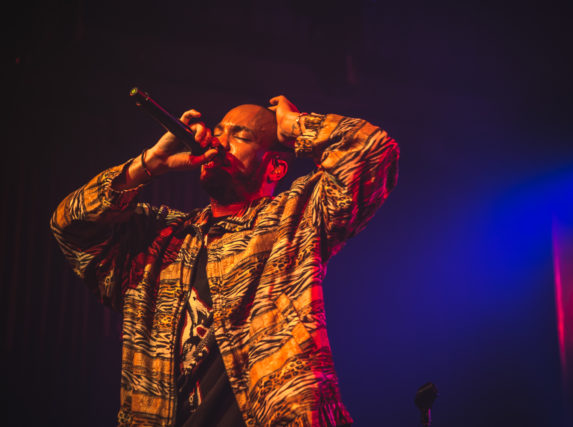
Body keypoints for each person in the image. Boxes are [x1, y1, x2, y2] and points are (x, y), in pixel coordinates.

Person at [51, 95, 399, 426]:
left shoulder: (295, 219)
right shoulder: (160, 239)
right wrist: (150, 163)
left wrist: (294, 126)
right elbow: (68, 224)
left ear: (276, 167)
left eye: (241, 136)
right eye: (218, 132)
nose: (218, 142)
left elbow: (373, 151)